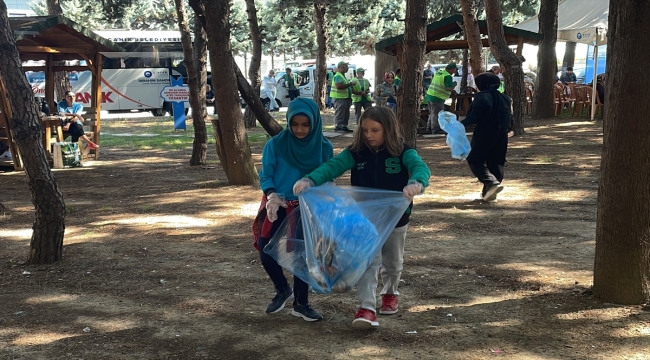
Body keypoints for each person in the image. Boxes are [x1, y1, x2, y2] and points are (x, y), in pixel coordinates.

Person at [293, 106, 431, 329]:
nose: (369, 135)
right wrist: (310, 180)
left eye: (375, 130)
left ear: (388, 129)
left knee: (392, 263)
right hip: (365, 223)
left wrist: (416, 183)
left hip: (397, 220)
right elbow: (332, 167)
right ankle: (367, 309)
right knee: (368, 262)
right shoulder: (356, 153)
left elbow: (420, 168)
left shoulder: (404, 152)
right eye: (365, 130)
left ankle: (389, 293)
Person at [252, 98, 334, 322]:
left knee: (304, 255)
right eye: (294, 124)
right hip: (277, 205)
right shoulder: (276, 145)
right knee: (265, 249)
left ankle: (302, 304)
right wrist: (271, 195)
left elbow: (329, 175)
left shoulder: (324, 147)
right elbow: (266, 174)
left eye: (305, 125)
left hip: (308, 208)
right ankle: (282, 289)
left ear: (315, 123)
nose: (299, 129)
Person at [461, 72, 513, 202]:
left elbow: (475, 116)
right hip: (502, 133)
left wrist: (459, 124)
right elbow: (510, 117)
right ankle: (489, 195)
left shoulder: (482, 97)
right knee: (496, 163)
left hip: (485, 132)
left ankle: (491, 183)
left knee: (474, 160)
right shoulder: (505, 98)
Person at [425, 63, 457, 134]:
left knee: (432, 113)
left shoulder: (439, 72)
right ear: (452, 69)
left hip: (430, 95)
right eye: (454, 70)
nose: (454, 72)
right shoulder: (447, 76)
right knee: (437, 114)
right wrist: (454, 85)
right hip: (437, 97)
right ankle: (436, 129)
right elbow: (449, 88)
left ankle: (429, 127)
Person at [331, 61, 356, 133]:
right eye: (346, 67)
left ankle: (343, 126)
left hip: (345, 98)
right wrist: (350, 84)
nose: (348, 68)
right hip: (339, 98)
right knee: (340, 113)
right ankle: (338, 127)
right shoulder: (338, 76)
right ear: (341, 67)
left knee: (345, 113)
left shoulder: (342, 76)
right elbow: (339, 86)